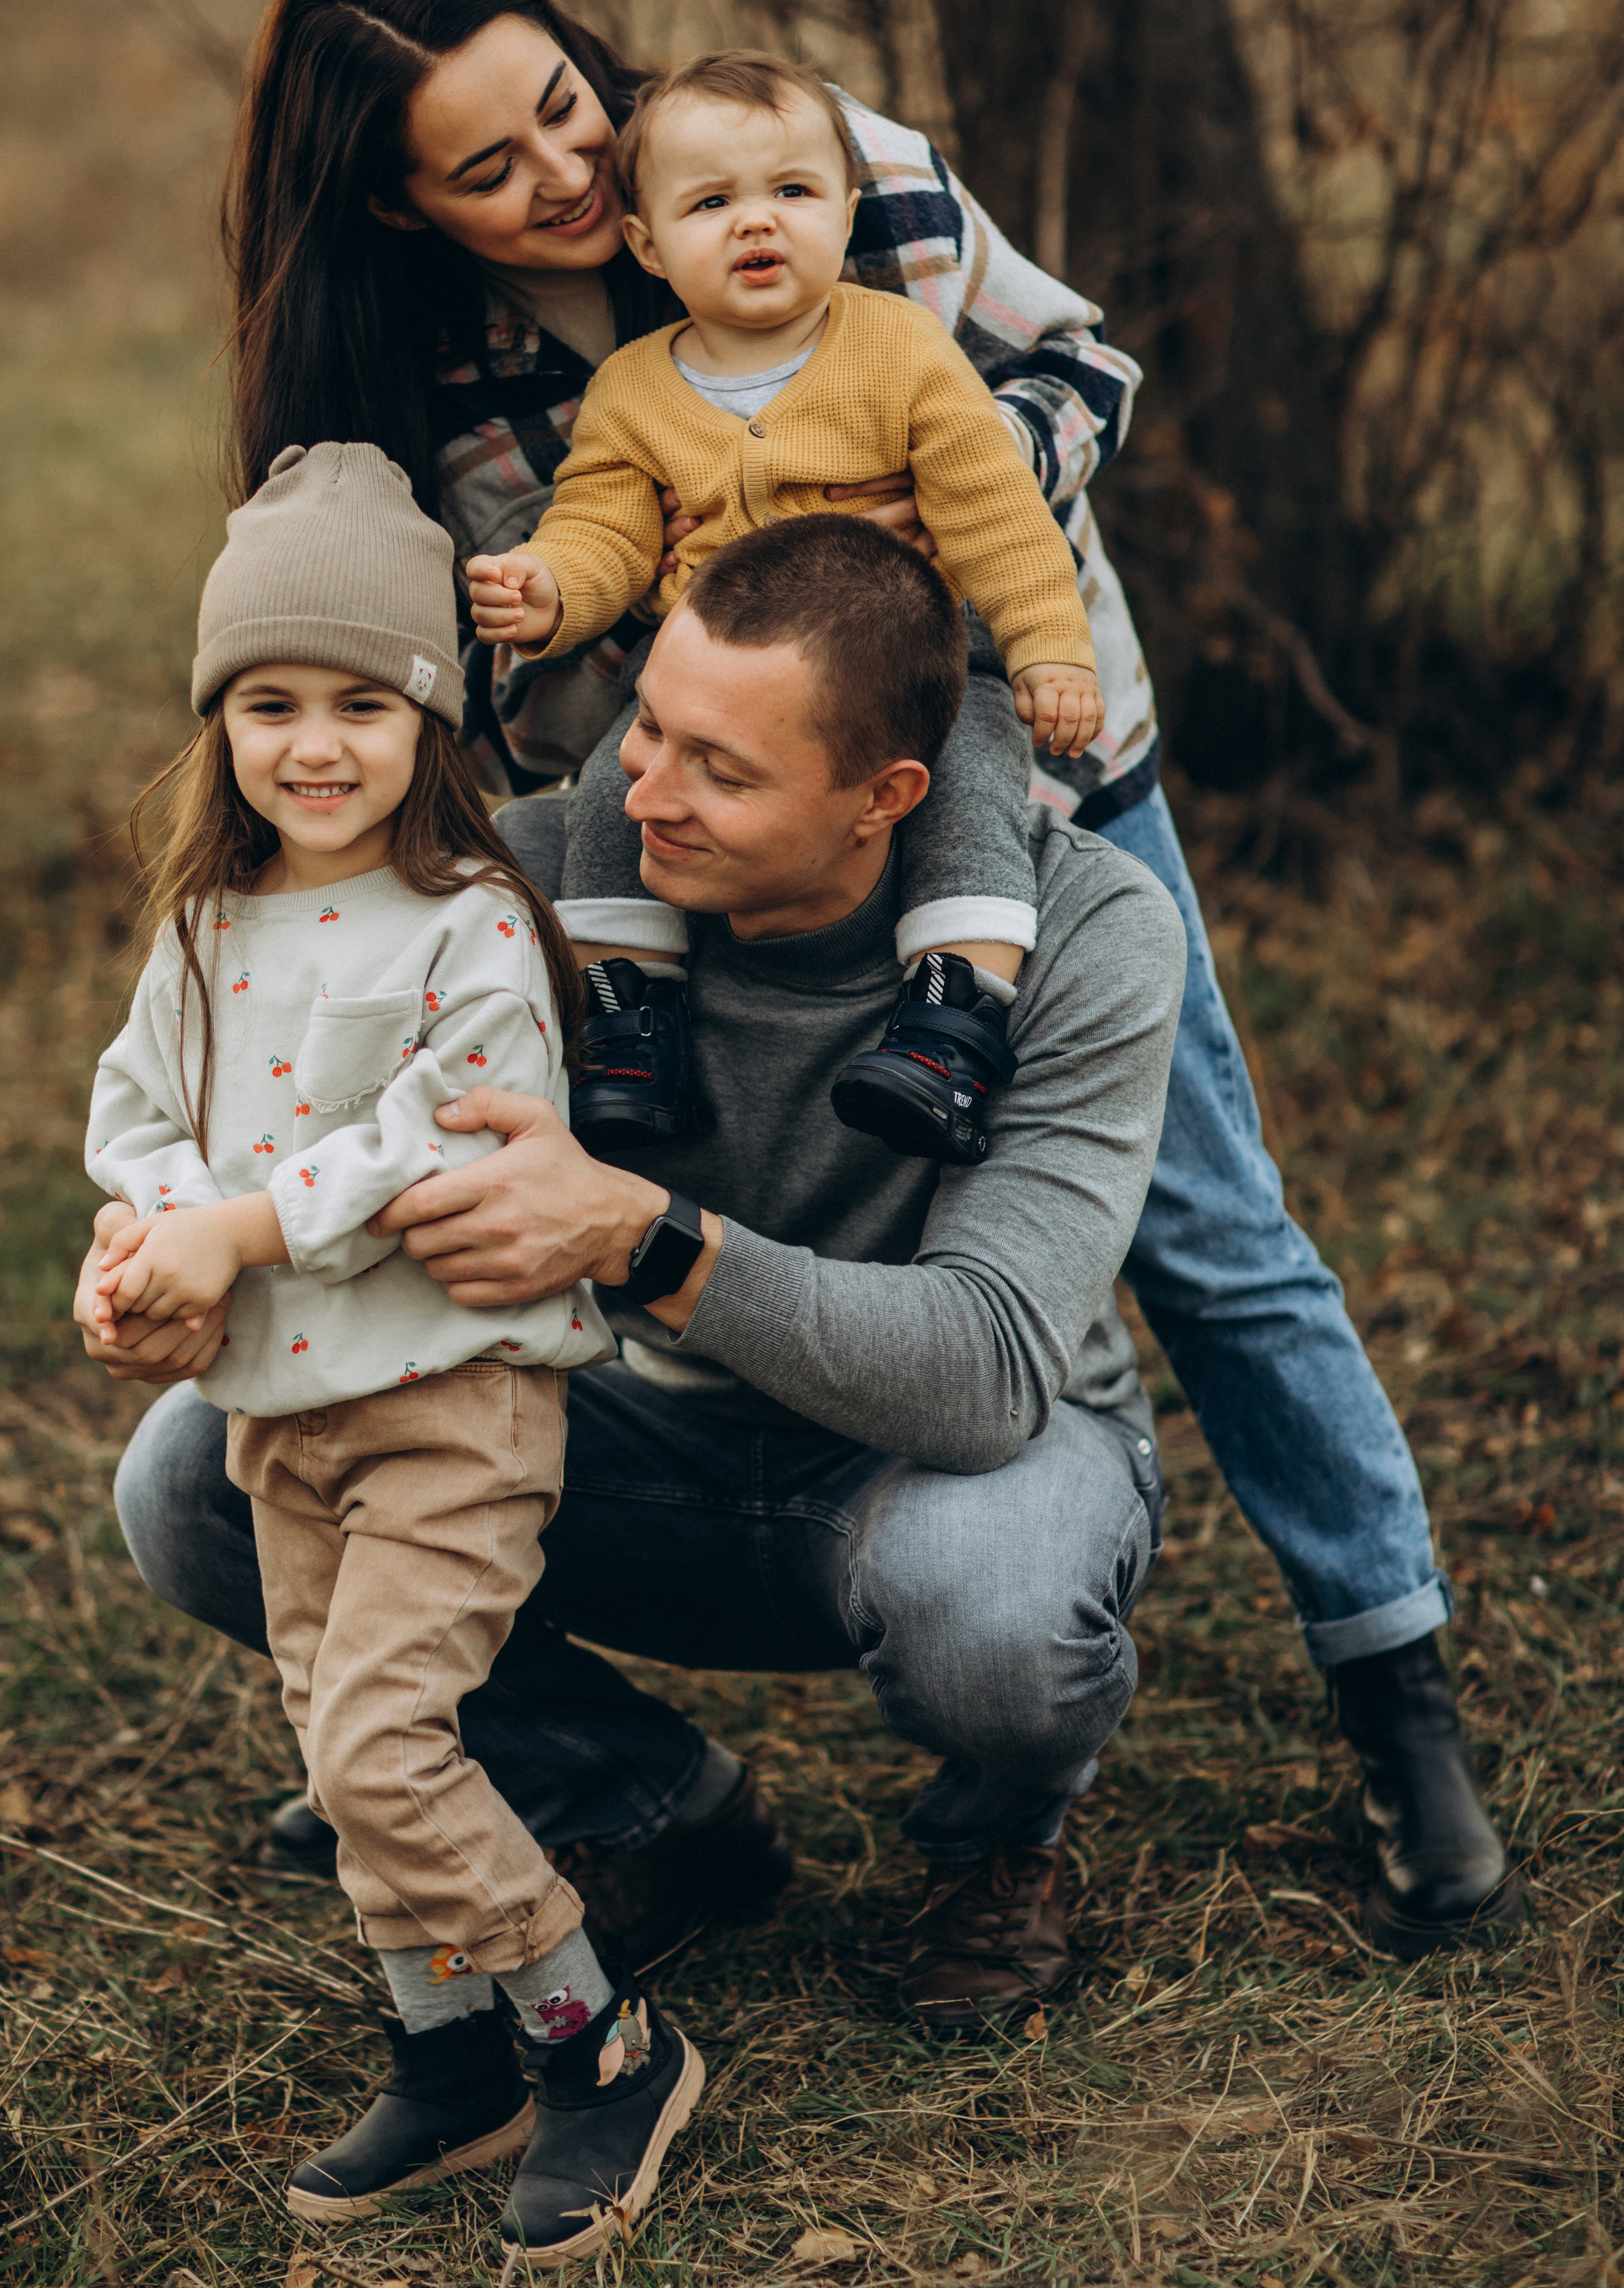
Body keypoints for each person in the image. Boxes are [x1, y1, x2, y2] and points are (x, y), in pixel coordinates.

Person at [125, 0, 1516, 1966]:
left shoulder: (805, 155)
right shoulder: (441, 371)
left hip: (1018, 744)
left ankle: (1394, 1687)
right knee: (635, 1145)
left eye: (569, 110)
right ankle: (445, 1705)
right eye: (493, 170)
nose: (572, 176)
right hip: (699, 822)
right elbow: (518, 632)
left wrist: (903, 528)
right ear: (398, 209)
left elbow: (1086, 366)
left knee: (1209, 1224)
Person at [93, 517, 1192, 2171]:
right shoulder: (528, 878)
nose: (645, 793)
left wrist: (639, 1236)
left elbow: (980, 1371)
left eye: (720, 773)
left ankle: (993, 1844)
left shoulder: (1084, 937)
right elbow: (258, 1118)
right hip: (621, 1436)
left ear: (884, 800)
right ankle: (644, 1805)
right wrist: (161, 1251)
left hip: (940, 1458)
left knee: (1002, 1605)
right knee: (198, 1478)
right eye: (649, 728)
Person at [82, 440, 703, 2263]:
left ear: (433, 715)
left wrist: (239, 1228)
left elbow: (436, 1138)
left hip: (454, 1403)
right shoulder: (203, 927)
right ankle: (454, 2054)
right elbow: (141, 1121)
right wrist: (142, 1246)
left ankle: (602, 2044)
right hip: (284, 1407)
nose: (314, 742)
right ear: (221, 722)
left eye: (362, 700)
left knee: (374, 1746)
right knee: (324, 1715)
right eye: (269, 702)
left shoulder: (475, 927)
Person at [466, 50, 1103, 1167]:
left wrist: (1051, 649)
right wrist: (552, 587)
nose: (757, 225)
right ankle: (630, 1021)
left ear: (847, 210)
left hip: (920, 659)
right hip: (709, 682)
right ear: (649, 245)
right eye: (713, 204)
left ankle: (950, 1028)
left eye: (793, 194)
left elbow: (996, 515)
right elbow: (606, 527)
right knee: (621, 794)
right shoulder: (634, 389)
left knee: (968, 790)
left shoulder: (899, 349)